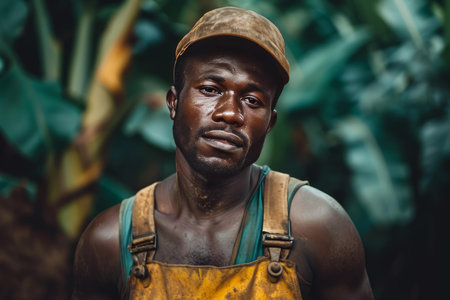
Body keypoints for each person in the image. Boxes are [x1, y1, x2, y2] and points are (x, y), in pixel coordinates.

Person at [72, 6, 373, 300]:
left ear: (270, 123)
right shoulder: (111, 241)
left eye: (252, 100)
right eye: (211, 89)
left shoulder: (317, 226)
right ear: (174, 103)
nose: (230, 113)